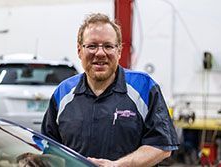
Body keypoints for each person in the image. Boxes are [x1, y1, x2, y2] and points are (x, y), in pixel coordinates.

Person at [41, 13, 179, 167]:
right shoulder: (63, 93)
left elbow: (161, 146)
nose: (100, 53)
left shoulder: (144, 87)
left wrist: (117, 165)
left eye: (108, 46)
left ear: (119, 51)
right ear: (79, 51)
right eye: (92, 46)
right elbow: (49, 147)